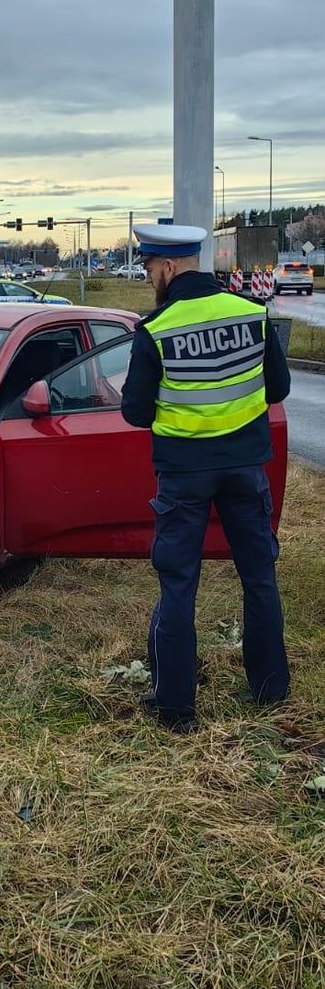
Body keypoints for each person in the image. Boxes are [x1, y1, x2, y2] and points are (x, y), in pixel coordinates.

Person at [121, 223, 291, 734]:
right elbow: (278, 388)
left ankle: (175, 708)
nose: (150, 277)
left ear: (168, 266)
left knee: (179, 585)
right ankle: (269, 689)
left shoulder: (156, 328)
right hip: (245, 468)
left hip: (184, 476)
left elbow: (134, 412)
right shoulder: (251, 313)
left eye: (150, 269)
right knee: (259, 577)